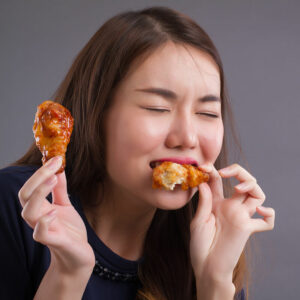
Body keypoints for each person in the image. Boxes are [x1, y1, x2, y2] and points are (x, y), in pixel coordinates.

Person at [0, 6, 275, 300]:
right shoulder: (17, 205)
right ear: (96, 114)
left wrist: (215, 281)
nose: (187, 137)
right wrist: (67, 274)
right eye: (157, 108)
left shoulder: (209, 235)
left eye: (207, 112)